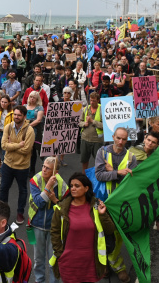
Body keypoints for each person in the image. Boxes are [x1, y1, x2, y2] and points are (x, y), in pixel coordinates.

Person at [50, 172, 115, 283]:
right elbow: (54, 232)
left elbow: (109, 230)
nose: (73, 188)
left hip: (91, 263)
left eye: (77, 186)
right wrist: (60, 254)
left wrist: (102, 214)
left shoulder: (96, 206)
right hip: (68, 263)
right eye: (71, 186)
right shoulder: (61, 209)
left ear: (86, 188)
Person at [94, 127, 136, 282]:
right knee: (103, 235)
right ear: (113, 136)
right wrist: (118, 173)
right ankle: (116, 267)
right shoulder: (102, 152)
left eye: (124, 139)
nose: (120, 142)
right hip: (103, 202)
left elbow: (132, 183)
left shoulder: (131, 158)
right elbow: (99, 175)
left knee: (117, 238)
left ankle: (108, 264)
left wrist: (112, 173)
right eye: (118, 138)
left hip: (122, 205)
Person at [29, 157, 68, 283]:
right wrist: (48, 187)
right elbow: (39, 203)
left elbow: (66, 208)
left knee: (54, 260)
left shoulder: (62, 185)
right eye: (43, 166)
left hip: (54, 228)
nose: (44, 170)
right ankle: (39, 281)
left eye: (48, 168)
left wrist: (55, 200)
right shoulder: (35, 180)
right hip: (37, 226)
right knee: (38, 260)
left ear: (55, 172)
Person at [0, 105, 35, 225]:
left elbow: (27, 150)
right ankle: (2, 213)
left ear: (24, 116)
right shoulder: (8, 127)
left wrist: (12, 146)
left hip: (22, 167)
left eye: (19, 115)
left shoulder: (29, 130)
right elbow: (4, 145)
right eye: (15, 114)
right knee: (4, 188)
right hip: (7, 164)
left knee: (22, 190)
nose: (16, 117)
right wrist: (18, 145)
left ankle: (20, 213)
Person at [80, 93, 104, 171]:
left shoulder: (102, 109)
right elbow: (80, 122)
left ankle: (97, 176)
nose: (92, 102)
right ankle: (84, 177)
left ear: (98, 100)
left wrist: (92, 121)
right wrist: (84, 124)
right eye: (90, 100)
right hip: (85, 138)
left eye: (94, 101)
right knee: (84, 160)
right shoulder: (86, 109)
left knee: (98, 161)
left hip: (97, 140)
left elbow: (105, 126)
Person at [26, 91, 45, 175]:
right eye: (31, 97)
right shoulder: (24, 106)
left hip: (35, 131)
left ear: (37, 99)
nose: (32, 99)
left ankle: (31, 170)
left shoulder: (40, 108)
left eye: (34, 97)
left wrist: (28, 126)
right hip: (24, 130)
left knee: (33, 150)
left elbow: (38, 120)